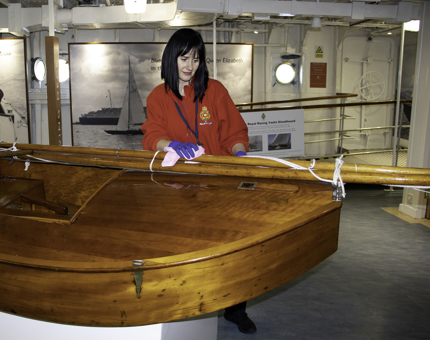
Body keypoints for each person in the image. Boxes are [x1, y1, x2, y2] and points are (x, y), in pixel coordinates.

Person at [141, 28, 256, 334]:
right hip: (178, 189)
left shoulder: (215, 91)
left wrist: (240, 156)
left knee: (232, 247)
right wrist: (170, 144)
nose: (190, 65)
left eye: (196, 58)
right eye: (184, 57)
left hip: (220, 185)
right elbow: (151, 134)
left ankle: (235, 308)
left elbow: (234, 132)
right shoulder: (157, 96)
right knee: (184, 247)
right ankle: (187, 302)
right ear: (171, 58)